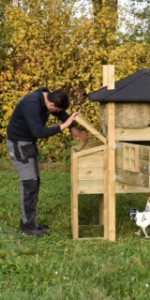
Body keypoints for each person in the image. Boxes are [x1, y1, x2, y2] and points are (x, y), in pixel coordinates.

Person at [6, 87, 88, 237]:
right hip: (18, 145)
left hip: (28, 143)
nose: (56, 113)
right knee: (29, 183)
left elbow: (61, 112)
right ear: (50, 105)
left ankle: (30, 222)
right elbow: (39, 132)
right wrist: (64, 126)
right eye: (55, 110)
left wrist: (72, 128)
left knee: (34, 182)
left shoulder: (49, 96)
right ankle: (28, 226)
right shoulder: (31, 104)